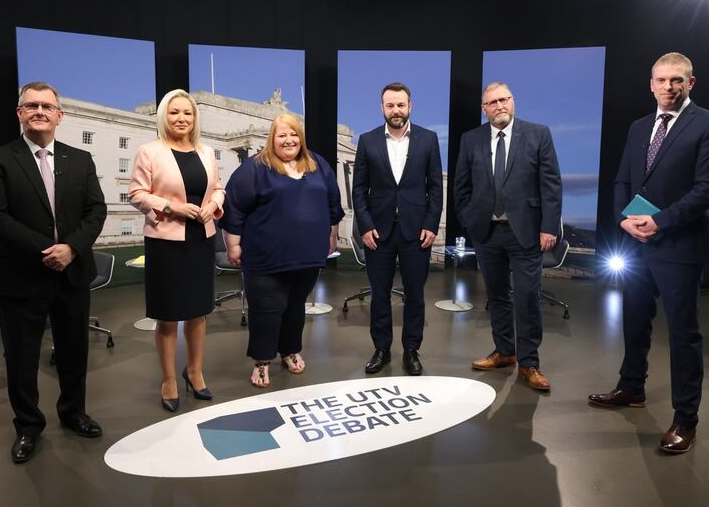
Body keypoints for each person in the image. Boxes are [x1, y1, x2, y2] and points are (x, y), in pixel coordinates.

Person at [588, 52, 709, 455]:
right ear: (650, 84)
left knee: (684, 336)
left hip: (679, 246)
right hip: (635, 243)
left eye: (676, 80)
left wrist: (660, 222)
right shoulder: (638, 127)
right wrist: (623, 220)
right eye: (661, 80)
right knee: (635, 322)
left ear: (691, 83)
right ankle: (632, 388)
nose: (668, 87)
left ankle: (686, 420)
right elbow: (622, 180)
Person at [0, 81, 106, 463]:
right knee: (21, 357)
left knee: (73, 351)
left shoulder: (80, 160)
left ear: (59, 116)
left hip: (72, 272)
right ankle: (28, 427)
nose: (39, 111)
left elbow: (95, 211)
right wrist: (47, 251)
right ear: (20, 114)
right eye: (31, 105)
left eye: (47, 106)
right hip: (19, 274)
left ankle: (73, 413)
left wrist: (71, 248)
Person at [220, 113, 344, 388]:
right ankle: (262, 361)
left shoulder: (317, 164)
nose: (289, 140)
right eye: (281, 135)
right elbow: (235, 208)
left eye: (293, 135)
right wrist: (234, 244)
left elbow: (333, 201)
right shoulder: (255, 168)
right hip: (265, 257)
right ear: (271, 139)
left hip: (308, 256)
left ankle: (289, 350)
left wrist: (332, 233)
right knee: (266, 308)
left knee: (295, 306)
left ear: (300, 138)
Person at [452, 82, 562, 391]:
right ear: (484, 109)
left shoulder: (538, 134)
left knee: (527, 298)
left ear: (512, 102)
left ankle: (529, 363)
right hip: (487, 233)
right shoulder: (470, 139)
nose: (499, 106)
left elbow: (551, 185)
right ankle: (505, 351)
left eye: (504, 100)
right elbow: (461, 187)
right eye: (492, 102)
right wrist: (469, 220)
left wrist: (549, 227)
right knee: (497, 296)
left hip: (525, 231)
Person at [129, 89, 224, 413]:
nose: (181, 118)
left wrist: (212, 205)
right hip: (165, 240)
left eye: (187, 113)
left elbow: (219, 188)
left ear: (194, 118)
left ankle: (194, 371)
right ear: (163, 116)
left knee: (199, 311)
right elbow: (136, 194)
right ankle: (169, 378)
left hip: (201, 238)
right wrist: (172, 207)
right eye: (174, 112)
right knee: (168, 314)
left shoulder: (207, 152)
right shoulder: (150, 151)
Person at [352, 82, 443, 376]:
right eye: (390, 105)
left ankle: (411, 350)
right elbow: (358, 190)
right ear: (382, 108)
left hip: (416, 232)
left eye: (401, 105)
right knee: (380, 295)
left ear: (410, 107)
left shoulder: (428, 140)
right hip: (377, 233)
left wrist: (431, 223)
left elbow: (435, 188)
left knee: (415, 295)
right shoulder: (367, 141)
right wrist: (364, 226)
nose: (396, 111)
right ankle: (381, 349)